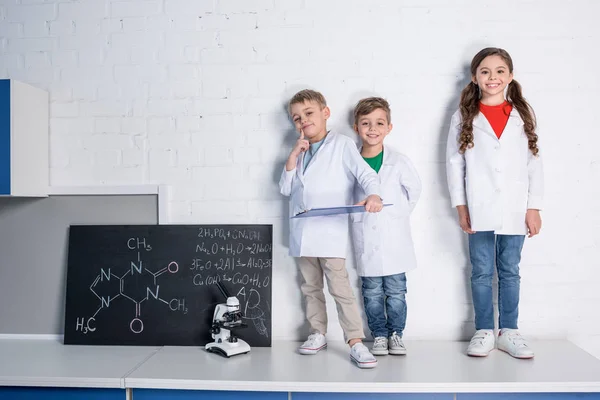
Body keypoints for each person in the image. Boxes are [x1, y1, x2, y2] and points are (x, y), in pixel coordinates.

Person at [446, 47, 543, 359]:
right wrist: (461, 207)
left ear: (510, 76)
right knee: (481, 270)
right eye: (485, 71)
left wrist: (533, 206)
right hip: (479, 206)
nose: (493, 77)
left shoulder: (523, 114)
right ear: (475, 78)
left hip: (515, 207)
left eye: (500, 71)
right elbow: (453, 164)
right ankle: (484, 330)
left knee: (510, 269)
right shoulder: (464, 116)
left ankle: (509, 331)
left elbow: (534, 163)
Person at [279, 89, 383, 369]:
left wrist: (374, 195)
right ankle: (317, 333)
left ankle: (355, 342)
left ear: (325, 113)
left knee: (340, 288)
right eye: (297, 118)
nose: (303, 121)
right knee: (310, 287)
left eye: (309, 113)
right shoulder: (299, 150)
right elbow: (285, 188)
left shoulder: (342, 144)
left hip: (329, 231)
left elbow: (366, 174)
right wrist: (292, 156)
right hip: (302, 231)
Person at [351, 97, 421, 356]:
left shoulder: (399, 161)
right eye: (366, 123)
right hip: (365, 235)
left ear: (389, 127)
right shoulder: (352, 161)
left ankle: (396, 334)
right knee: (370, 292)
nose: (372, 128)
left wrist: (398, 215)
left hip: (395, 237)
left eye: (379, 123)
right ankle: (379, 335)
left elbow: (415, 190)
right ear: (356, 127)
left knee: (396, 291)